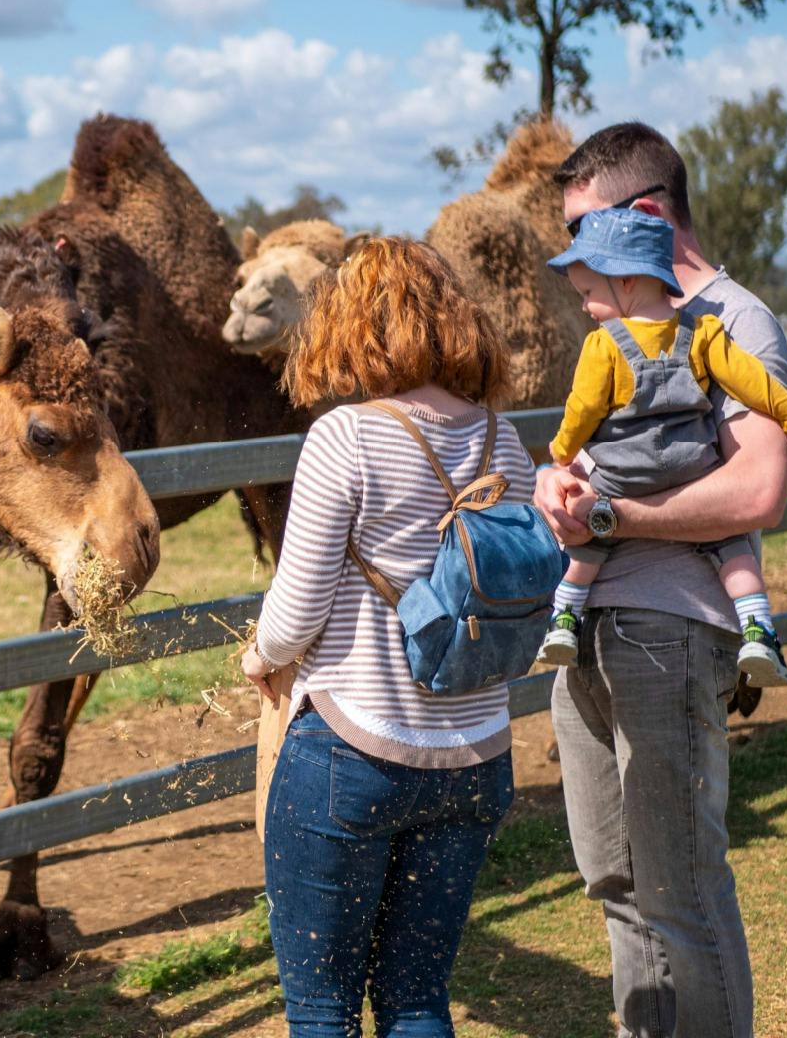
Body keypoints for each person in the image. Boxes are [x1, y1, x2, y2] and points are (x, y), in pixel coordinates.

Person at [537, 123, 787, 1038]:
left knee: (680, 886)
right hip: (592, 633)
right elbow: (587, 445)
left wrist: (611, 519)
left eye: (585, 235)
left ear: (644, 215)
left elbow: (757, 485)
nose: (577, 276)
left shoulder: (735, 323)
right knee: (615, 881)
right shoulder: (614, 338)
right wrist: (554, 480)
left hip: (672, 630)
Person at [239, 237, 535, 1037]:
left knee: (322, 1012)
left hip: (352, 753)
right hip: (476, 758)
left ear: (352, 325)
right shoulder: (503, 444)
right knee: (415, 999)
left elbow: (296, 613)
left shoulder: (346, 437)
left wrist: (256, 658)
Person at [536, 204, 787, 691]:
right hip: (692, 471)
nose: (584, 307)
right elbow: (750, 382)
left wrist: (561, 451)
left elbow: (583, 409)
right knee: (732, 547)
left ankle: (564, 618)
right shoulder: (702, 332)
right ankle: (759, 628)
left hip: (624, 475)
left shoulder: (603, 346)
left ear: (625, 282)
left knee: (589, 536)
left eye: (588, 293)